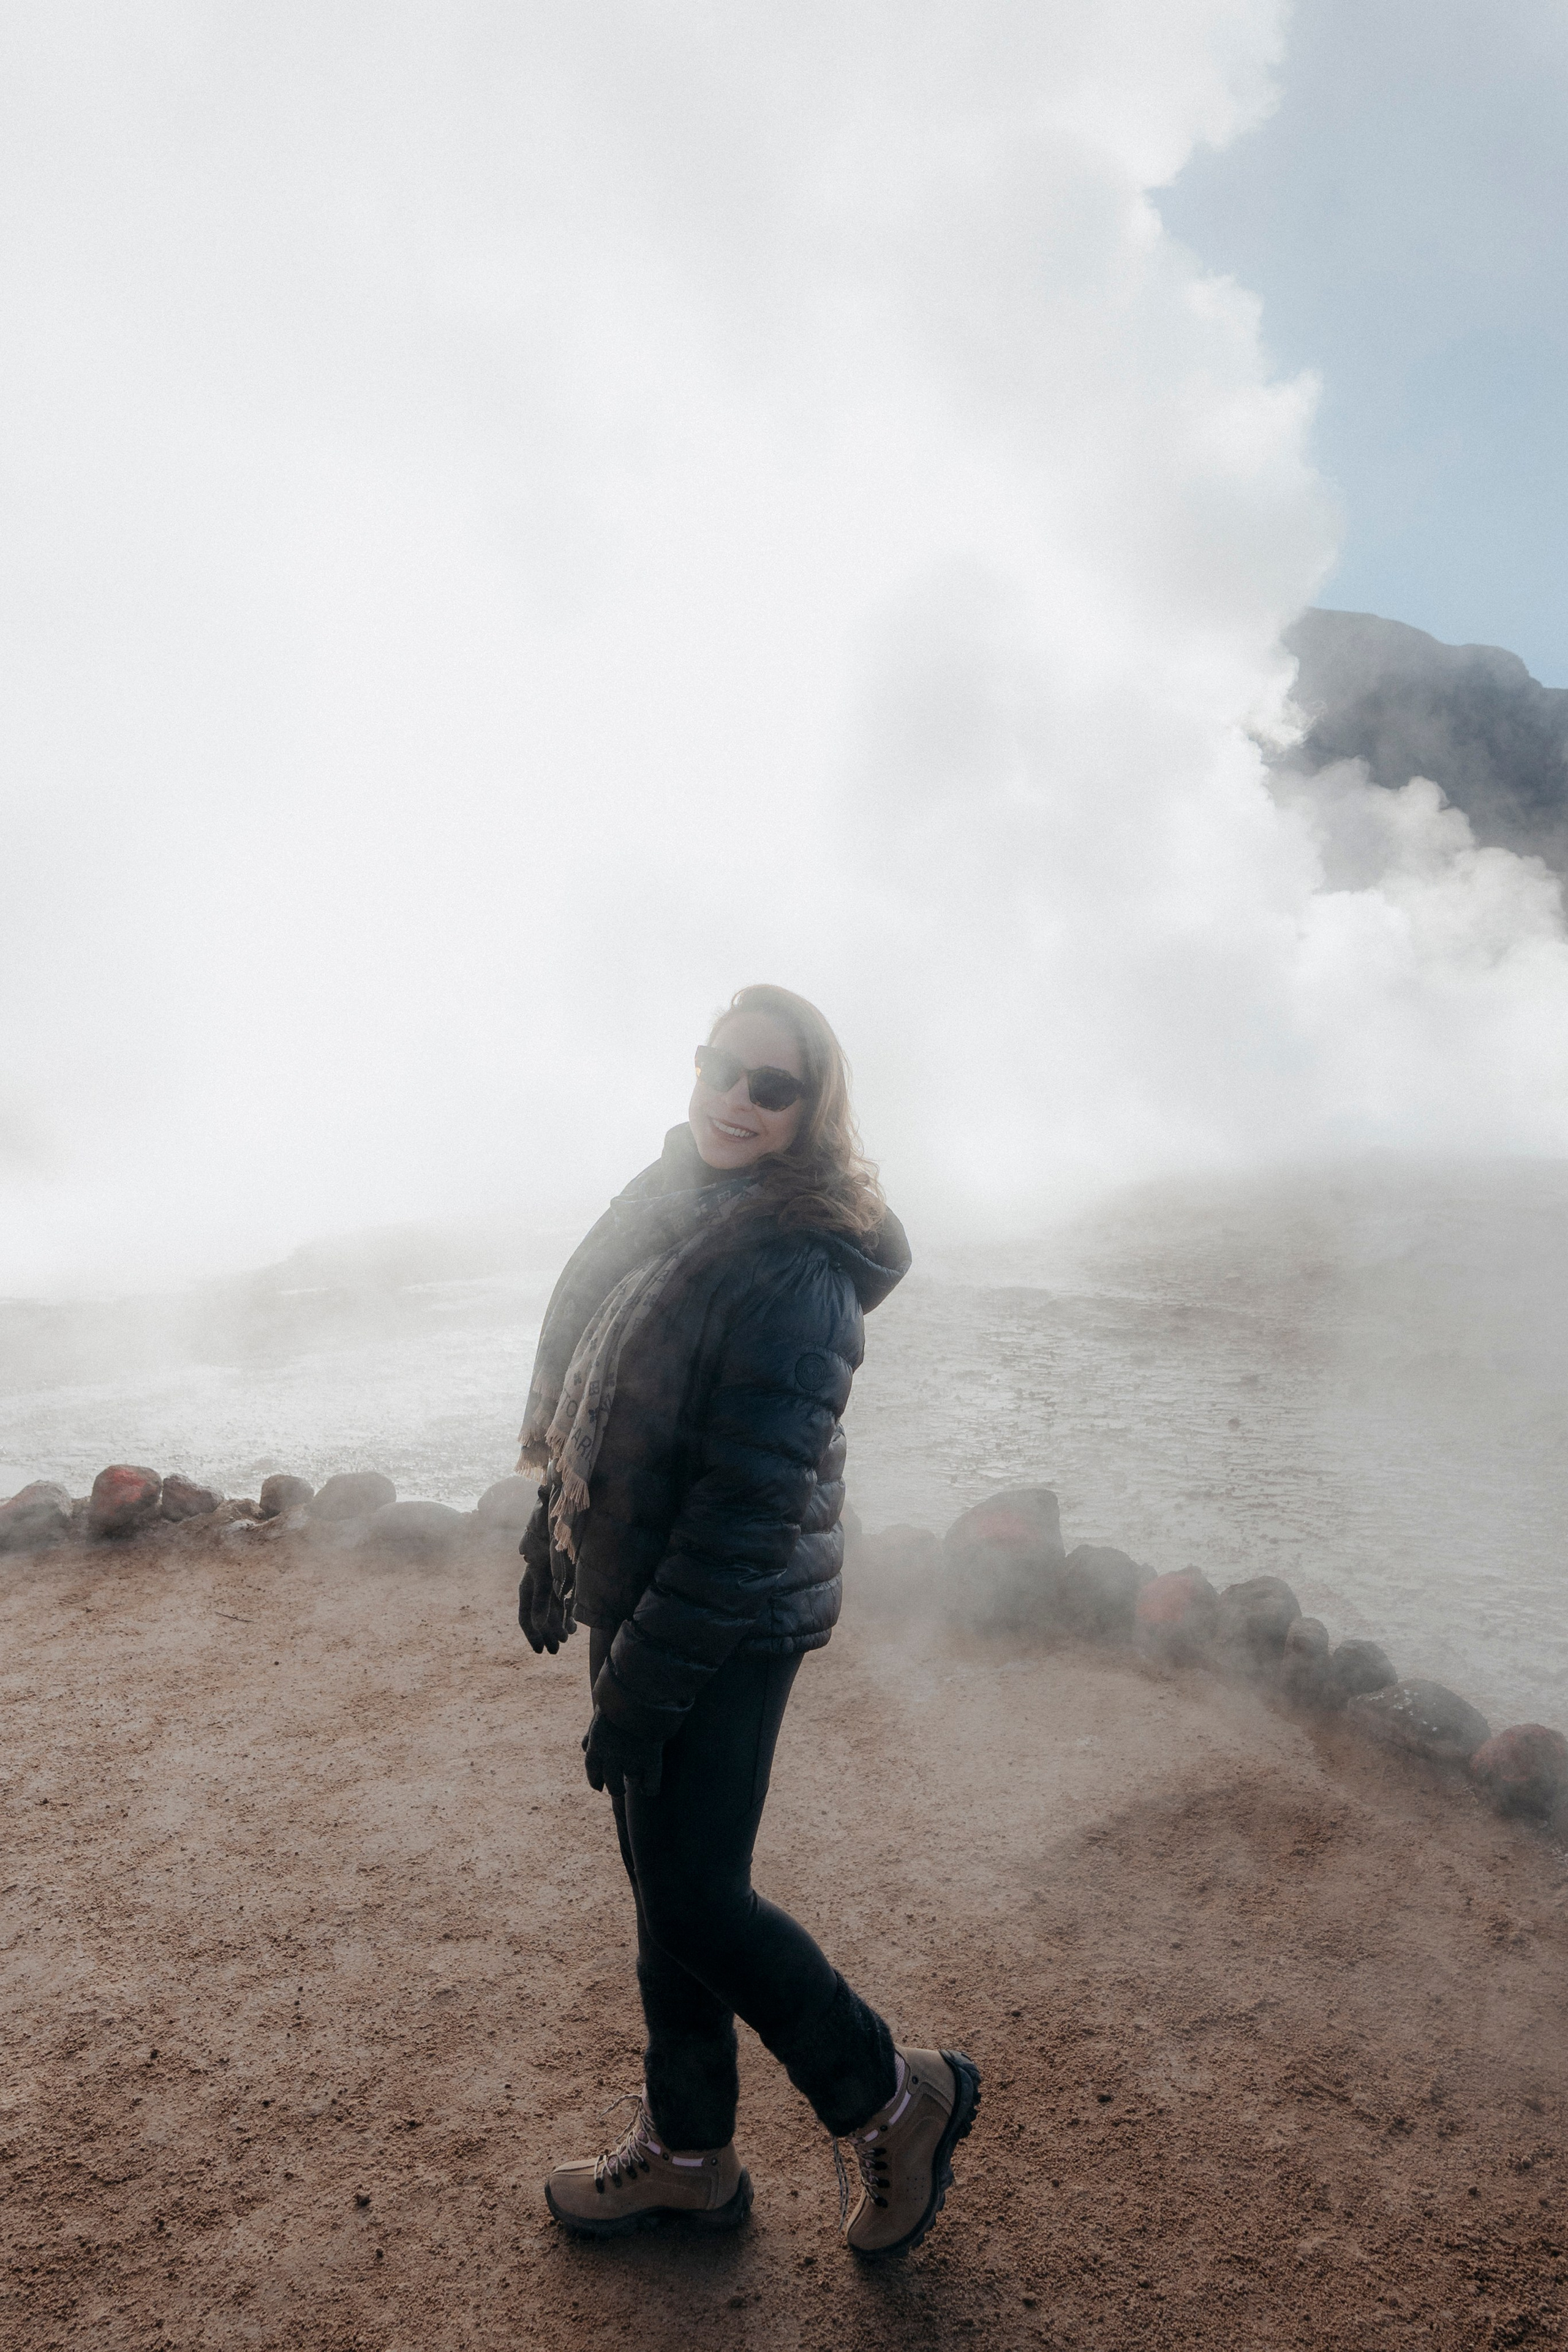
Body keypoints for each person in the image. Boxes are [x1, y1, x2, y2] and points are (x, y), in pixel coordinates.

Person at [515, 983, 979, 2259]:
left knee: (699, 1900)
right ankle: (688, 2156)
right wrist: (557, 1531)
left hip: (724, 1621)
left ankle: (893, 2097)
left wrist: (649, 1679)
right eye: (721, 1065)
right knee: (665, 1890)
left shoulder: (794, 1270)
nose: (734, 1096)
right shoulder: (678, 1207)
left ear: (809, 1111)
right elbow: (619, 1412)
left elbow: (744, 1515)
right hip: (646, 1595)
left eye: (769, 1085)